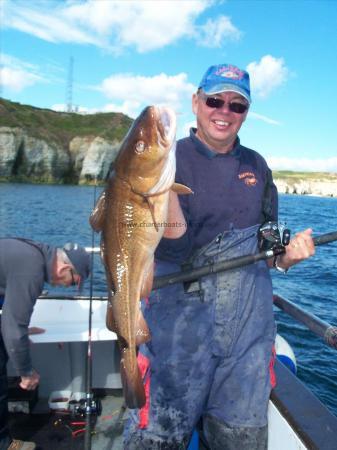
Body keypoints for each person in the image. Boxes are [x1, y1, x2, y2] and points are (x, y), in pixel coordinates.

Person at [124, 63, 315, 450]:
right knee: (156, 439)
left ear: (246, 113)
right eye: (215, 100)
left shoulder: (257, 167)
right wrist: (166, 198)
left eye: (237, 106)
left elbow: (267, 245)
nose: (224, 112)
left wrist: (286, 258)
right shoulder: (165, 159)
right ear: (196, 102)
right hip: (176, 339)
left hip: (245, 347)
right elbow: (173, 249)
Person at [0, 238, 90, 450]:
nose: (69, 286)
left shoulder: (35, 256)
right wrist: (26, 372)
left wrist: (20, 330)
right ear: (65, 268)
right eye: (74, 280)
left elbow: (11, 317)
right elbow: (13, 329)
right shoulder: (32, 269)